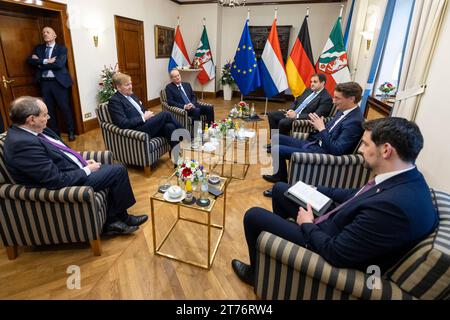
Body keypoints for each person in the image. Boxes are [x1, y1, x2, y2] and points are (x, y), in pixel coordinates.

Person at [232, 117, 438, 286]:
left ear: (386, 150)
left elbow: (336, 253)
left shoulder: (392, 207)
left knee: (254, 216)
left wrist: (307, 225)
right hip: (341, 221)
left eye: (365, 144)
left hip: (327, 242)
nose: (360, 150)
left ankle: (256, 274)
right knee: (281, 189)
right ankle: (276, 254)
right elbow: (354, 196)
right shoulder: (403, 178)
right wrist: (315, 189)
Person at [3, 96, 148, 235]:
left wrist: (82, 161)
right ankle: (122, 218)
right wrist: (85, 170)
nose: (48, 118)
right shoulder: (22, 145)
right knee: (118, 171)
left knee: (111, 170)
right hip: (63, 186)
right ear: (31, 119)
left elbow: (61, 151)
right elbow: (55, 180)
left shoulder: (35, 130)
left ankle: (113, 219)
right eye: (45, 115)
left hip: (71, 169)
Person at [263, 82, 364, 193]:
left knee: (277, 149)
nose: (333, 101)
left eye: (337, 98)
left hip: (322, 153)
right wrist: (317, 125)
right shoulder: (343, 111)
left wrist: (322, 129)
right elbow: (330, 128)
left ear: (351, 99)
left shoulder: (354, 121)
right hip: (315, 143)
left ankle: (282, 184)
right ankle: (279, 175)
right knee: (276, 138)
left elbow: (337, 150)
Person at [108, 72, 183, 151]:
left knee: (169, 126)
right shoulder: (114, 101)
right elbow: (123, 123)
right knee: (166, 114)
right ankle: (185, 135)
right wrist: (143, 118)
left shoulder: (131, 95)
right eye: (127, 85)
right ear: (118, 87)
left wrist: (149, 115)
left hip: (146, 123)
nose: (131, 87)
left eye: (131, 84)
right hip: (137, 130)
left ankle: (177, 156)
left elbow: (142, 109)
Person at [27, 26, 76, 141]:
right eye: (43, 32)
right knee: (48, 110)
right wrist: (46, 61)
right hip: (45, 84)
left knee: (65, 108)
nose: (45, 34)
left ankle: (71, 131)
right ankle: (55, 134)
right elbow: (30, 60)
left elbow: (59, 64)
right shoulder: (38, 49)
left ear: (54, 35)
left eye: (48, 32)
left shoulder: (61, 49)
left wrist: (40, 63)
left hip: (59, 83)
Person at [266, 73, 333, 147]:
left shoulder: (326, 98)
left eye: (315, 82)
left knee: (283, 122)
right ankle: (274, 142)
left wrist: (296, 116)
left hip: (302, 118)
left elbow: (316, 115)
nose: (312, 84)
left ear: (322, 83)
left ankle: (280, 144)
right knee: (271, 115)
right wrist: (291, 110)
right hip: (293, 113)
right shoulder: (308, 90)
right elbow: (296, 101)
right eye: (311, 82)